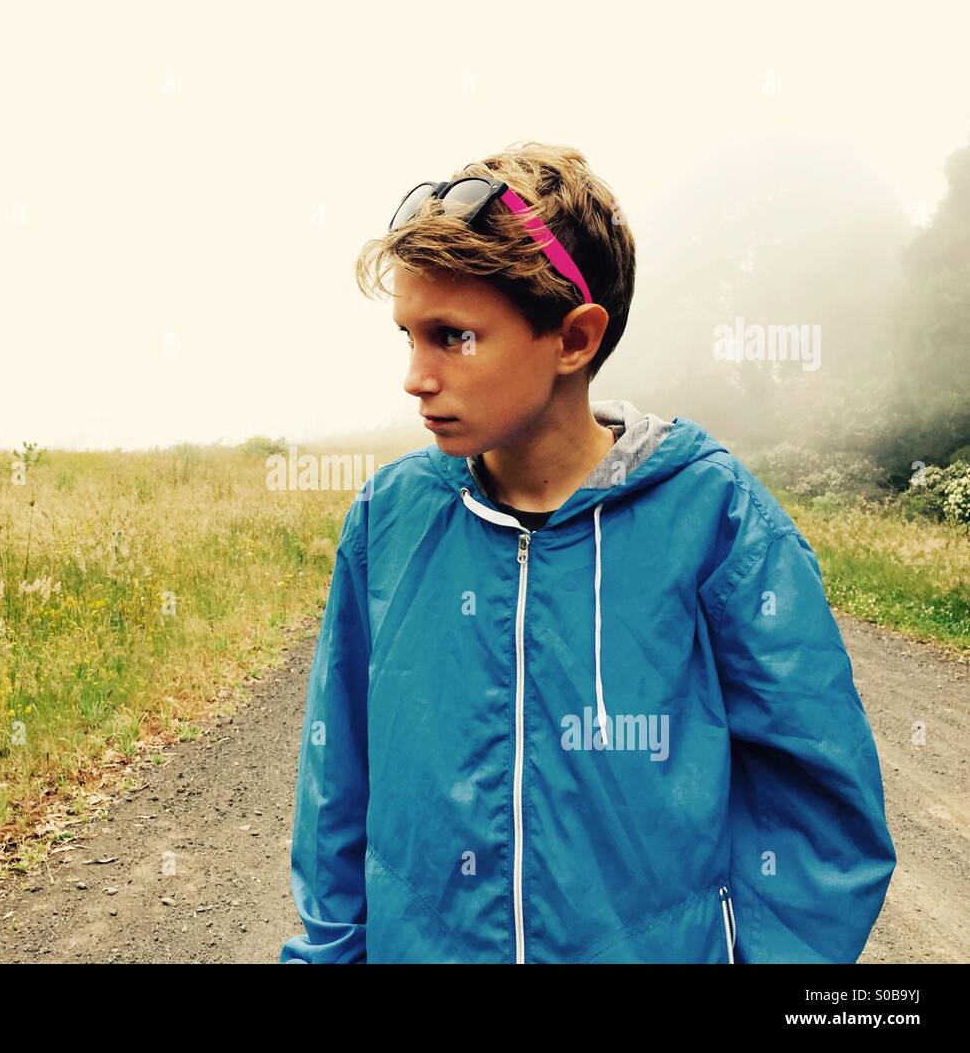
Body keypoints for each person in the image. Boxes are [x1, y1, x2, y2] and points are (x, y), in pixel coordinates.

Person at [279, 140, 897, 963]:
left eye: (452, 338)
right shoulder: (387, 518)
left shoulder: (714, 516)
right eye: (408, 336)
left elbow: (821, 802)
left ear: (573, 339)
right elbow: (336, 784)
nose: (415, 377)